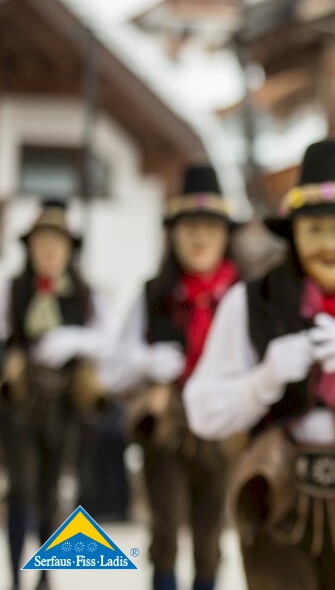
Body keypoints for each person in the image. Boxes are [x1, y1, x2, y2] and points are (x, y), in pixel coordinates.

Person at [183, 140, 335, 590]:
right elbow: (201, 412)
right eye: (315, 230)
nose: (329, 245)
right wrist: (263, 380)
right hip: (274, 501)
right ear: (293, 233)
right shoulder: (248, 302)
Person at [102, 165, 240, 590]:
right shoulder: (152, 294)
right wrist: (146, 361)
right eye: (189, 227)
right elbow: (111, 371)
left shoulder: (245, 295)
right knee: (164, 532)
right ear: (173, 235)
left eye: (210, 228)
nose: (200, 238)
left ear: (225, 236)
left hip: (224, 429)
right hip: (167, 429)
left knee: (210, 534)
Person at [0, 200, 115, 590]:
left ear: (69, 249)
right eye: (42, 242)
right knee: (21, 489)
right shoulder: (13, 289)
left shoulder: (85, 295)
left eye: (57, 242)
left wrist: (72, 340)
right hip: (19, 403)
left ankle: (44, 576)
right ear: (30, 247)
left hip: (65, 403)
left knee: (53, 491)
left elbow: (107, 340)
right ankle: (15, 576)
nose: (49, 251)